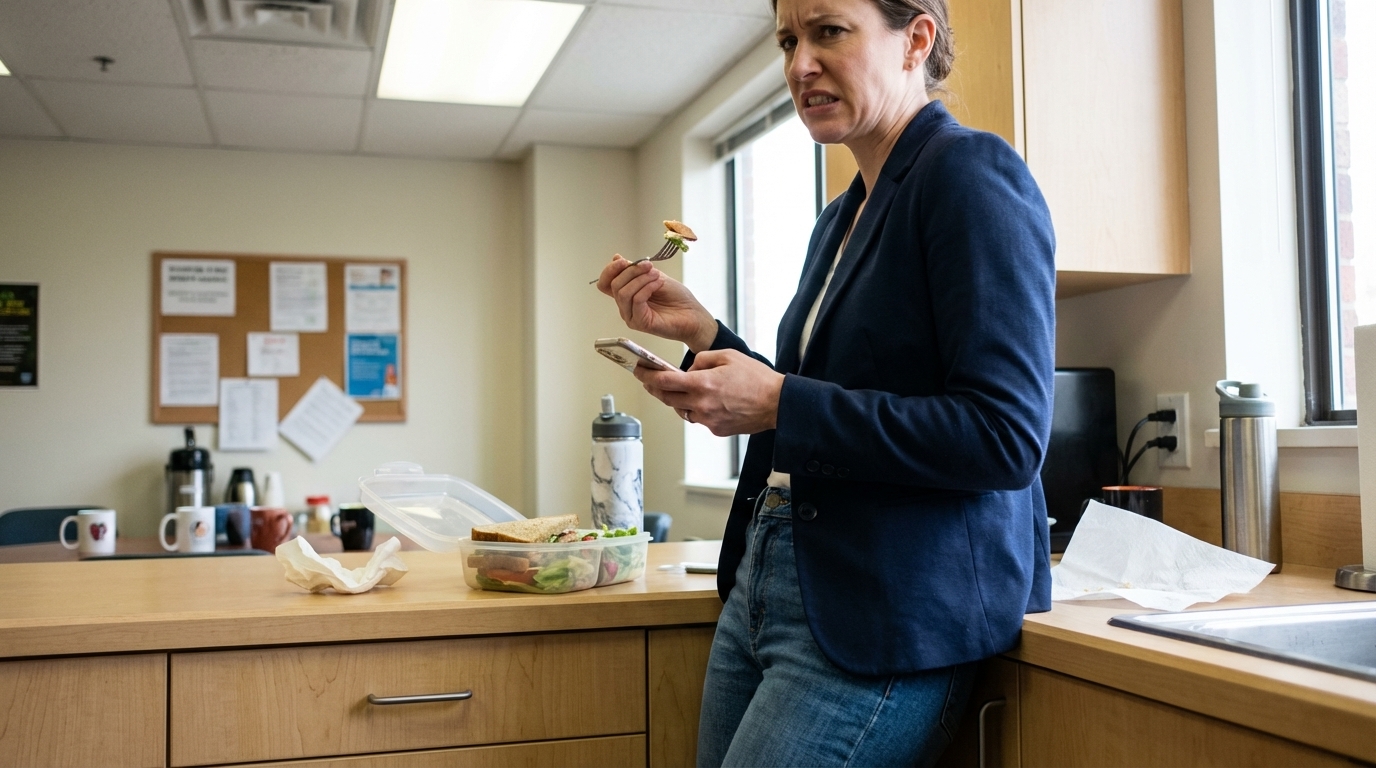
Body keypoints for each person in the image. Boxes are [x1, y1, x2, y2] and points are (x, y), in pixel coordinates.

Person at [596, 0, 1055, 764]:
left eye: (828, 32)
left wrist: (776, 400)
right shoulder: (839, 218)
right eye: (787, 40)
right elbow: (820, 399)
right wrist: (705, 336)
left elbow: (1003, 439)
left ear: (916, 40)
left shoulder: (970, 175)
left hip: (886, 608)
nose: (799, 64)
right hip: (774, 577)